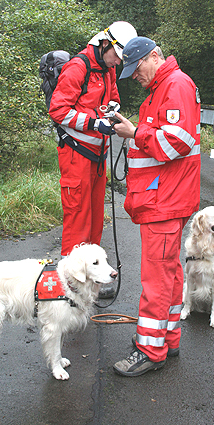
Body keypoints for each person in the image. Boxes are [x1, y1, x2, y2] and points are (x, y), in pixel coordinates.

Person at [112, 37, 201, 376]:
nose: (135, 76)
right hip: (164, 198)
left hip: (165, 199)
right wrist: (134, 132)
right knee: (170, 273)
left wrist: (135, 133)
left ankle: (152, 350)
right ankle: (169, 338)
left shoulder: (174, 85)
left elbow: (176, 142)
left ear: (154, 56)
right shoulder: (165, 88)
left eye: (137, 69)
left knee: (156, 278)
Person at [49, 22, 137, 298]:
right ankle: (69, 287)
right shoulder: (78, 67)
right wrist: (93, 123)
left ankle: (94, 280)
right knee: (77, 219)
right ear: (105, 44)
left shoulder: (107, 70)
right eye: (117, 56)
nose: (117, 63)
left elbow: (113, 99)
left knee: (95, 219)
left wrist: (111, 113)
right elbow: (58, 110)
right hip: (76, 154)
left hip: (97, 157)